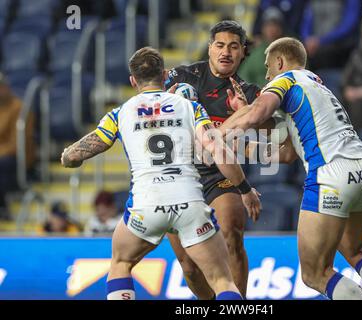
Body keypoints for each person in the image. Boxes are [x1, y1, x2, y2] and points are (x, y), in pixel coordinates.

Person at [61, 46, 261, 300]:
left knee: (121, 263)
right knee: (222, 281)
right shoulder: (191, 108)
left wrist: (68, 156)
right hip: (189, 202)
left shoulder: (120, 113)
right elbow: (219, 152)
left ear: (133, 80)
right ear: (165, 75)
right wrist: (244, 189)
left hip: (146, 207)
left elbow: (79, 154)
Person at [221, 37, 362, 300]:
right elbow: (288, 153)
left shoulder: (286, 79)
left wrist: (215, 134)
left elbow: (257, 113)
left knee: (315, 273)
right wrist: (243, 144)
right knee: (356, 251)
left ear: (280, 61)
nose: (267, 75)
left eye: (268, 67)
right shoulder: (316, 85)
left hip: (331, 175)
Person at [164, 20, 261, 299]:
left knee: (231, 233)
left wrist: (244, 116)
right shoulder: (183, 76)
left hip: (219, 175)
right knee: (189, 266)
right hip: (179, 176)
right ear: (209, 49)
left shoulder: (249, 94)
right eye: (219, 45)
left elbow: (269, 145)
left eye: (233, 47)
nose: (226, 52)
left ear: (243, 52)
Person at [0, 73, 35, 220]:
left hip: (17, 159)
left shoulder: (19, 108)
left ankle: (2, 208)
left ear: (5, 88)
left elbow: (17, 145)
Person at [300, 0, 361, 70]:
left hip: (339, 45)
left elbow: (349, 24)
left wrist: (321, 41)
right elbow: (307, 20)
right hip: (313, 45)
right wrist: (307, 39)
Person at [239, 8, 286, 88]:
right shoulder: (255, 53)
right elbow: (243, 77)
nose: (272, 29)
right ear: (263, 29)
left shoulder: (291, 52)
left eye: (275, 25)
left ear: (281, 29)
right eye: (268, 25)